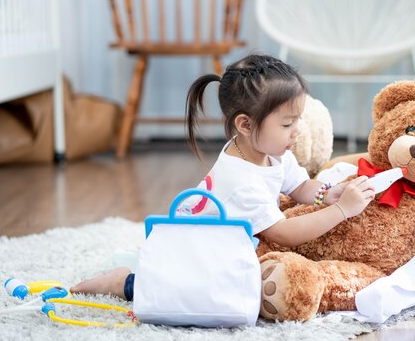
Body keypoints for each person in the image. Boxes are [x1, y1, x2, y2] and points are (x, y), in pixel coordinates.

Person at [70, 54, 375, 300]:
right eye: (286, 124)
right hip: (192, 253)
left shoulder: (271, 150)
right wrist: (341, 210)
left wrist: (327, 194)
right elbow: (283, 233)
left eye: (298, 120)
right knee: (188, 292)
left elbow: (299, 185)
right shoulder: (241, 180)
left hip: (218, 245)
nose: (297, 131)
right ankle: (122, 281)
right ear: (245, 124)